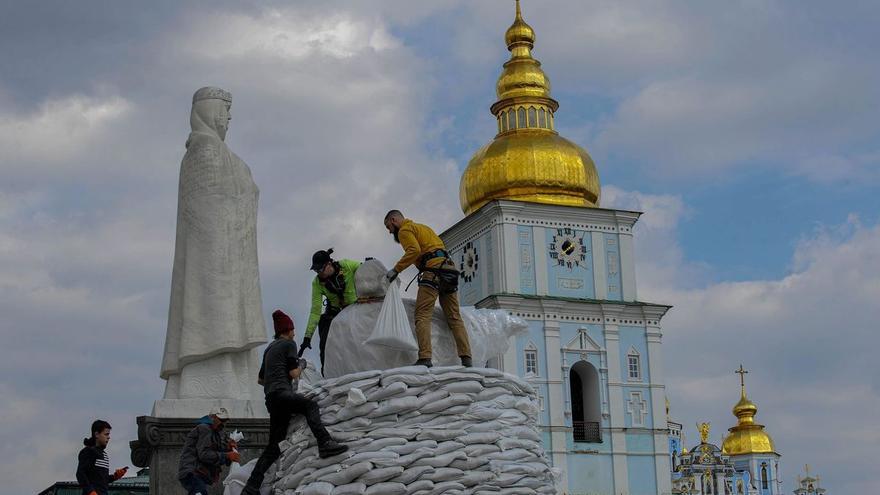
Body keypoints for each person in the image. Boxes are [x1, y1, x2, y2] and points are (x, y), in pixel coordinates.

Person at [241, 310, 348, 495]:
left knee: (274, 445)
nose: (295, 333)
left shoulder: (270, 348)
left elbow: (260, 380)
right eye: (293, 329)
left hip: (271, 399)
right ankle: (324, 443)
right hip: (283, 394)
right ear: (287, 330)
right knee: (310, 405)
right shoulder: (288, 344)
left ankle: (251, 486)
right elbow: (294, 374)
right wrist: (302, 364)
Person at [383, 210, 472, 367]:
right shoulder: (423, 228)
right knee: (454, 317)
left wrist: (396, 270)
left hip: (433, 271)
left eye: (388, 226)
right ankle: (466, 358)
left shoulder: (405, 230)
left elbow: (414, 250)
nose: (389, 231)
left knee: (422, 315)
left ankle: (425, 358)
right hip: (449, 270)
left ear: (394, 219)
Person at [301, 249, 361, 374]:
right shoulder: (317, 283)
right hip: (335, 313)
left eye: (320, 269)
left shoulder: (347, 265)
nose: (318, 273)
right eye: (316, 271)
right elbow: (315, 311)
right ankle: (326, 373)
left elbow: (366, 269)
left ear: (329, 264)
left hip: (355, 309)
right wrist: (307, 337)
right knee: (324, 338)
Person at [177, 407, 240, 495]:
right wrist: (227, 455)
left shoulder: (216, 432)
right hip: (192, 472)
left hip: (198, 473)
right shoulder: (205, 428)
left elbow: (217, 451)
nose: (223, 423)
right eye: (221, 420)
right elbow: (204, 454)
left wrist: (229, 448)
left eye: (225, 421)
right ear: (212, 418)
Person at [76, 420, 128, 495]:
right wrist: (91, 491)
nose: (109, 437)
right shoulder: (89, 451)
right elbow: (80, 474)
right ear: (97, 434)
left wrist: (115, 476)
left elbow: (102, 479)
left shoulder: (104, 454)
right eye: (106, 434)